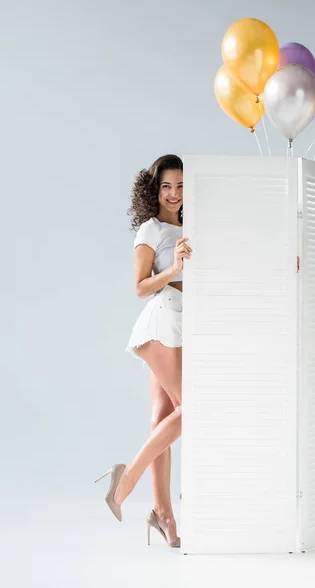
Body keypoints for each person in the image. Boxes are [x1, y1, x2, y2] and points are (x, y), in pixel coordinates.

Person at [95, 154, 191, 548]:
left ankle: (163, 513)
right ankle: (127, 478)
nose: (173, 194)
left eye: (181, 186)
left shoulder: (191, 226)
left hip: (183, 323)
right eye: (167, 186)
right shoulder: (150, 230)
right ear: (155, 189)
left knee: (162, 418)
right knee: (194, 409)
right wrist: (173, 269)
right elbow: (139, 287)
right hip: (162, 321)